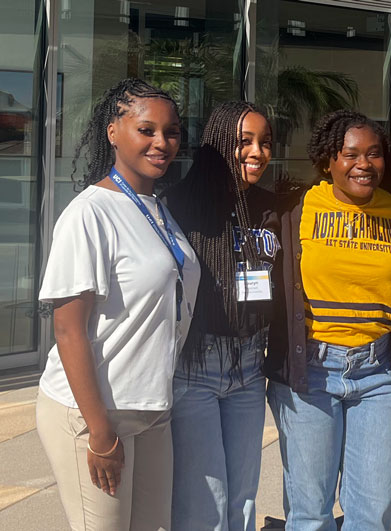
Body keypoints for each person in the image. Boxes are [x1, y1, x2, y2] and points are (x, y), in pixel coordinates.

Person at [34, 78, 201, 530]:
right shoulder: (90, 213)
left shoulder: (158, 210)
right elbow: (69, 330)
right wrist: (100, 433)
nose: (161, 143)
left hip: (152, 411)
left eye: (171, 132)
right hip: (94, 414)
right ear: (113, 132)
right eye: (146, 130)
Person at [264, 110, 391, 530]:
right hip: (312, 372)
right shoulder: (297, 208)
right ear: (328, 160)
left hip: (378, 373)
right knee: (310, 512)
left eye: (374, 154)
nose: (364, 164)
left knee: (374, 510)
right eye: (350, 154)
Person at [165, 101, 278, 531]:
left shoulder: (274, 207)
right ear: (218, 144)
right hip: (195, 368)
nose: (257, 152)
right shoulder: (178, 205)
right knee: (203, 501)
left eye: (265, 143)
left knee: (243, 497)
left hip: (250, 367)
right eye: (244, 142)